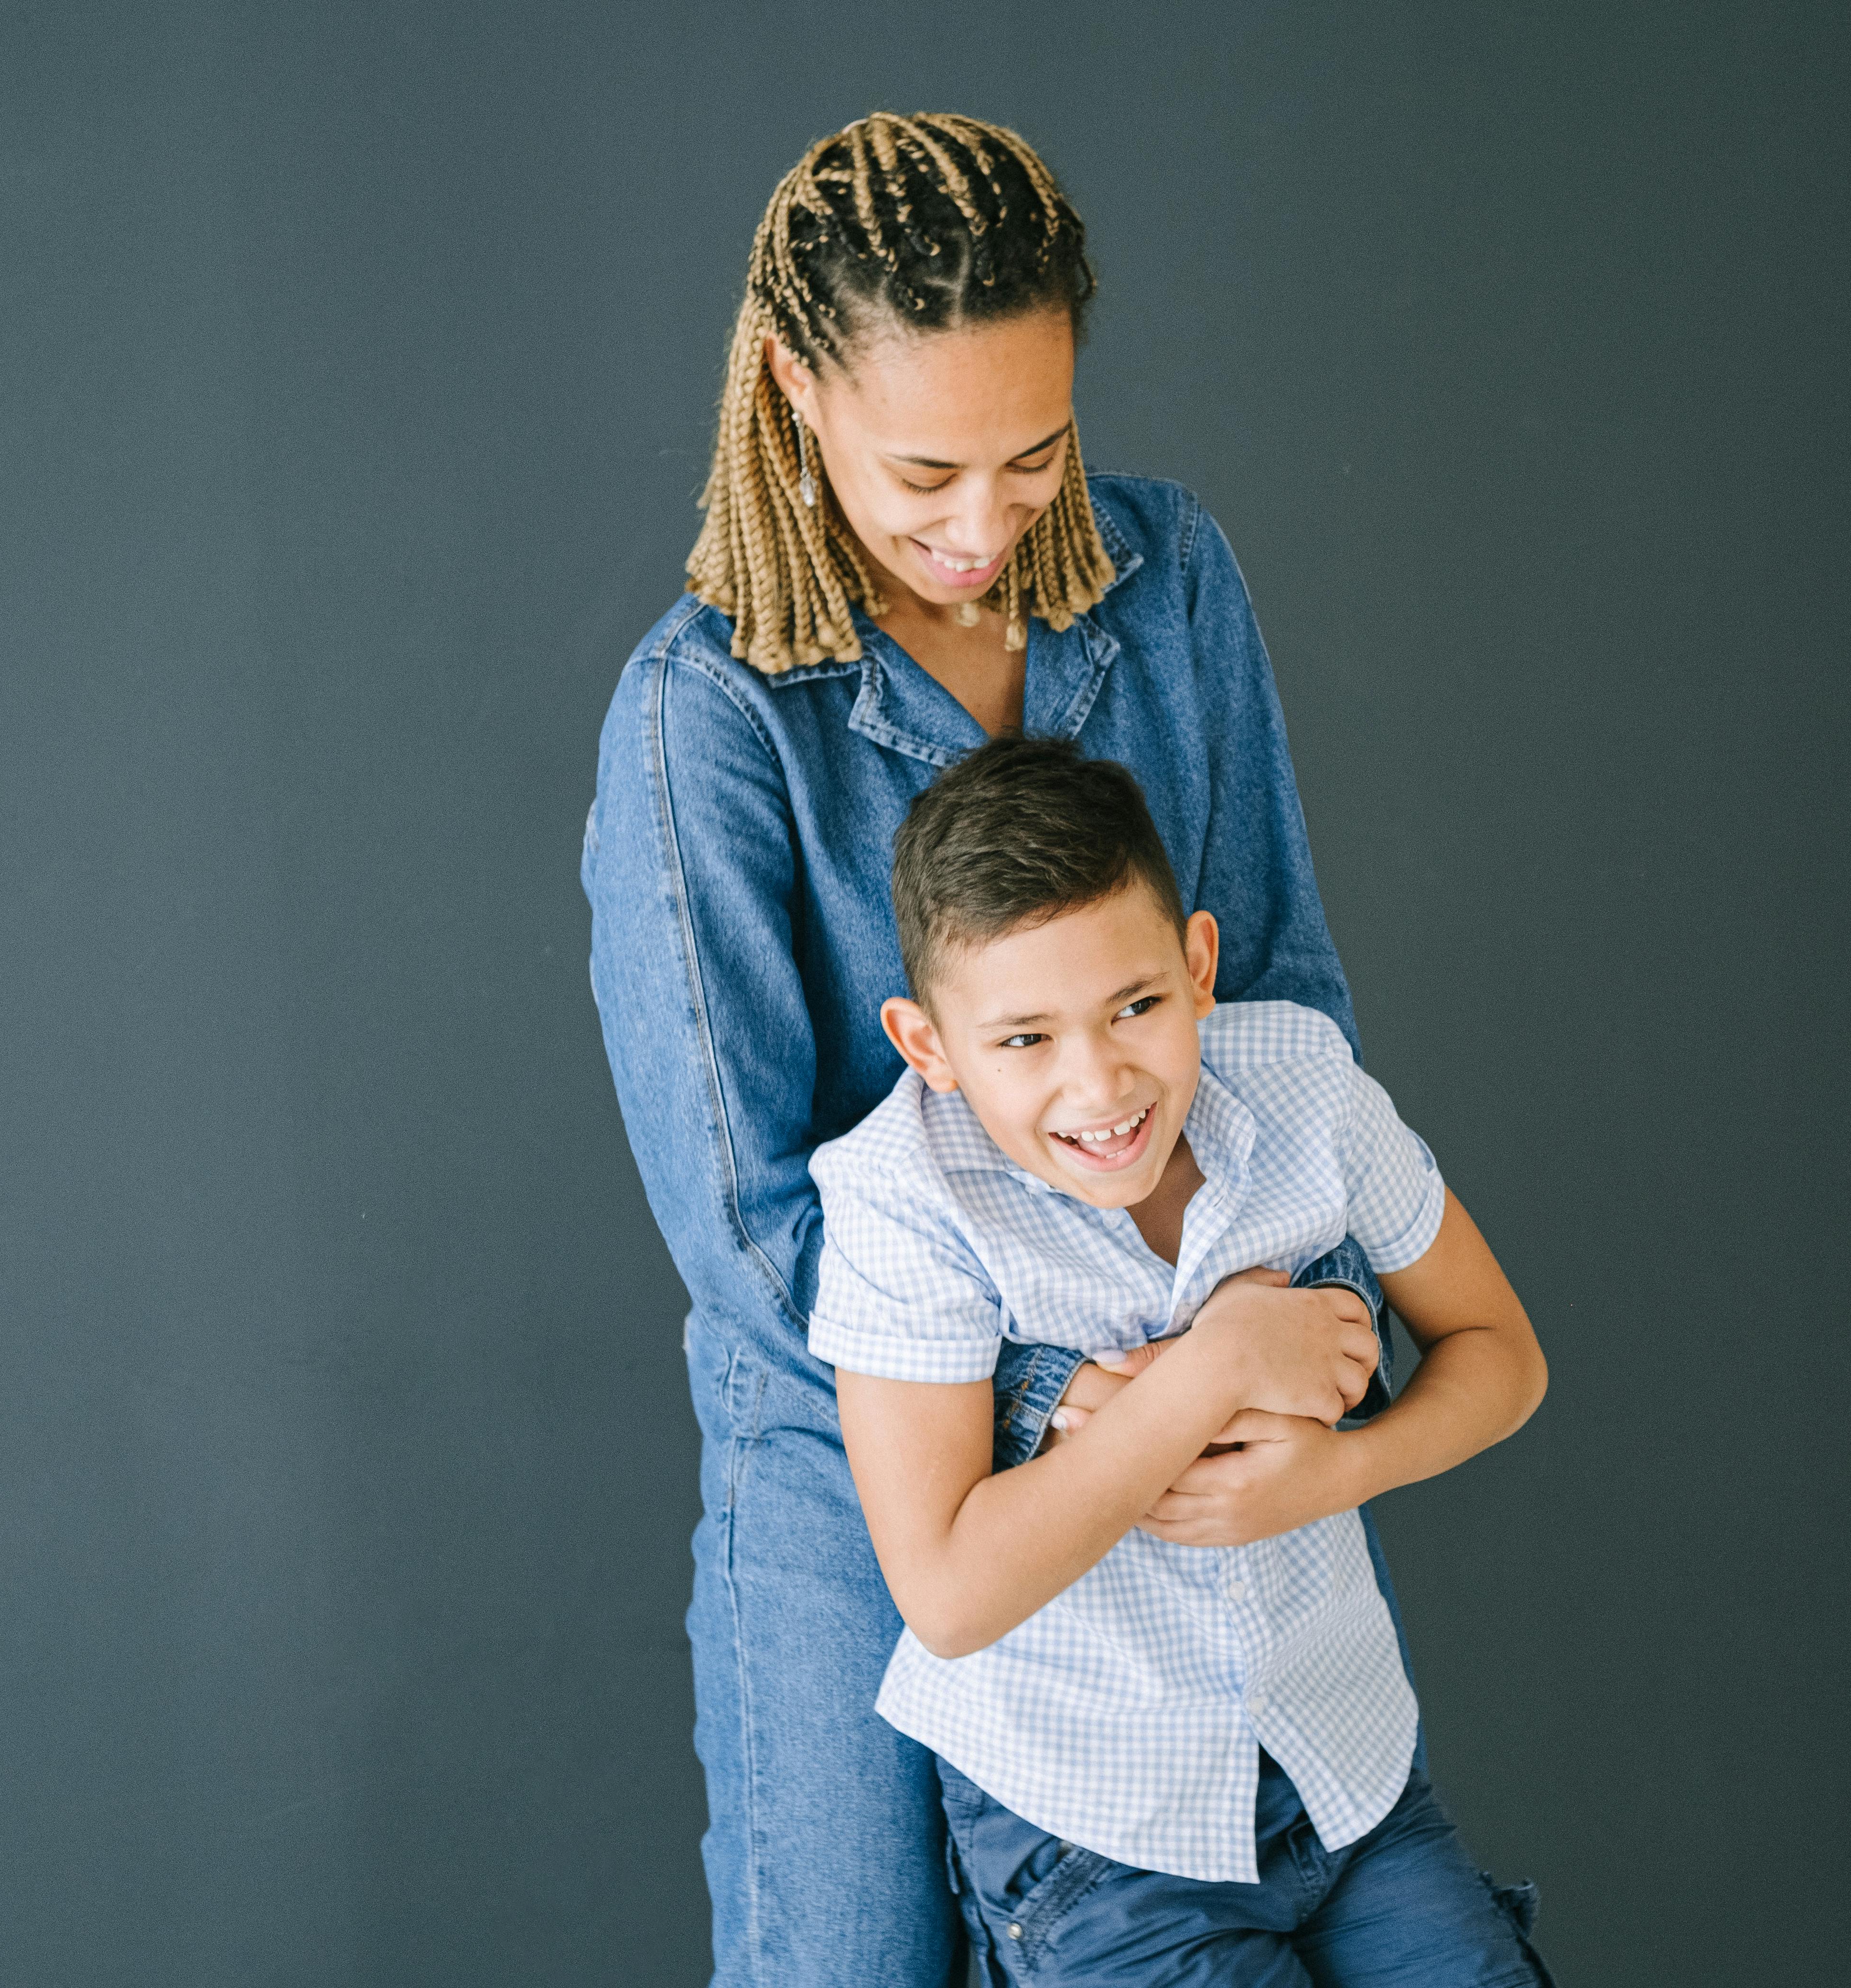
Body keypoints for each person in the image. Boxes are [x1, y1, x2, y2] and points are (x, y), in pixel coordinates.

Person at [583, 112, 1512, 1984]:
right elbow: (755, 1231)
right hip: (874, 1481)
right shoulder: (708, 721)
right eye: (923, 468)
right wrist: (1069, 1403)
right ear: (790, 388)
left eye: (1034, 453)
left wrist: (1209, 1385)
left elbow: (1280, 1015)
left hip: (1195, 1383)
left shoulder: (1169, 586)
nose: (982, 524)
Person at [816, 736, 1549, 1986]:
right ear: (929, 1046)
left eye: (1136, 1007)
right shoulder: (901, 1198)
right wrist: (1215, 1371)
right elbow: (948, 1594)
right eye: (1024, 1040)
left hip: (1343, 1769)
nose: (1099, 1083)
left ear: (1197, 965)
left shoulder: (1304, 1085)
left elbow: (1503, 1357)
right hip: (1097, 1830)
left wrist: (1338, 1474)